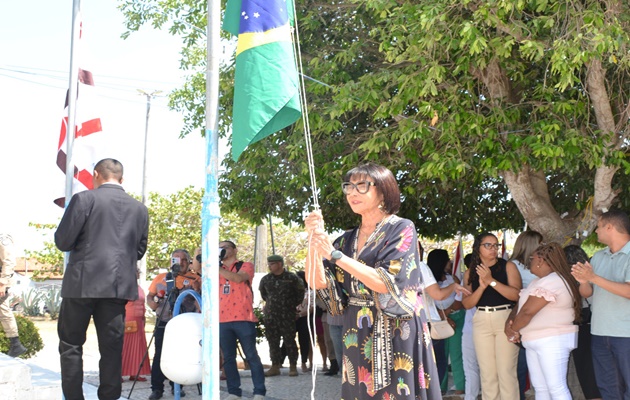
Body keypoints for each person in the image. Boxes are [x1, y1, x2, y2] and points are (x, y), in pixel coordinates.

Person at [304, 162, 445, 399]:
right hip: (356, 328)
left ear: (382, 191)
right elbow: (318, 282)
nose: (352, 193)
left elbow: (386, 282)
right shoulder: (345, 239)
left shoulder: (401, 228)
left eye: (361, 186)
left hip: (396, 327)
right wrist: (313, 241)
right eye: (348, 187)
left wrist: (334, 255)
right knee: (359, 390)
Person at [54, 158, 149, 400]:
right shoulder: (139, 209)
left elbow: (63, 241)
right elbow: (139, 250)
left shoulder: (84, 199)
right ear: (121, 179)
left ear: (96, 174)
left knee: (71, 345)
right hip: (117, 287)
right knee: (111, 349)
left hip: (81, 285)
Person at [505, 243, 581, 399]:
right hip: (537, 339)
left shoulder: (553, 280)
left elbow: (527, 312)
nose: (529, 262)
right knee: (541, 388)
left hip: (552, 339)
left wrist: (514, 329)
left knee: (556, 387)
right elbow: (520, 306)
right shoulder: (538, 282)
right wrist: (510, 323)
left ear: (540, 260)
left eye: (531, 258)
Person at [571, 209, 630, 400]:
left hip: (625, 334)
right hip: (599, 332)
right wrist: (584, 281)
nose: (596, 231)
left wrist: (594, 277)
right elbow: (588, 294)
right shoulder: (598, 257)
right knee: (607, 387)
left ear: (610, 227)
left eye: (598, 226)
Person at [461, 231, 522, 400]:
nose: (493, 249)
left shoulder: (507, 266)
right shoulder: (470, 273)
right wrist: (481, 286)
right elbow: (466, 304)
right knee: (487, 373)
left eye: (496, 245)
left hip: (505, 317)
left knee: (506, 371)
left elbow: (516, 295)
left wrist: (491, 281)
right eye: (488, 245)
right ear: (478, 248)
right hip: (481, 319)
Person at [146, 249, 201, 399]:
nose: (180, 263)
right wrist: (153, 304)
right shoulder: (161, 278)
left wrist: (198, 289)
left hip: (185, 324)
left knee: (181, 354)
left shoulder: (195, 278)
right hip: (163, 322)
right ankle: (157, 389)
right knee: (159, 355)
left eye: (184, 260)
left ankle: (177, 385)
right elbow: (149, 296)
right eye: (176, 260)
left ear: (189, 262)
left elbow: (202, 301)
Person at [218, 240, 266, 400]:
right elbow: (197, 269)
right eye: (219, 247)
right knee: (228, 358)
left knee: (251, 356)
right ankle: (234, 392)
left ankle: (259, 391)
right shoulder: (216, 268)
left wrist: (215, 267)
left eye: (225, 247)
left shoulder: (245, 265)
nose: (222, 250)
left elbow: (238, 279)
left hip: (244, 318)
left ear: (234, 250)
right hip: (222, 320)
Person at [563, 244, 602, 400]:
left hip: (580, 327)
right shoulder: (593, 272)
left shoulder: (567, 279)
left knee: (586, 372)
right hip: (595, 325)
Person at [509, 230, 543, 399]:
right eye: (540, 243)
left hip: (542, 319)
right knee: (520, 366)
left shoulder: (542, 265)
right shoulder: (514, 265)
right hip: (523, 318)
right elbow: (517, 295)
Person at [259, 254, 305, 377]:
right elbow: (264, 295)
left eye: (272, 264)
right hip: (271, 316)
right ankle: (275, 366)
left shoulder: (292, 278)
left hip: (287, 315)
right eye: (269, 264)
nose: (270, 266)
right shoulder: (266, 279)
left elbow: (300, 293)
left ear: (279, 264)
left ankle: (293, 366)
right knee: (272, 342)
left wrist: (290, 305)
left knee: (289, 341)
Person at [427, 249, 465, 395]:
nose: (450, 262)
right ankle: (440, 388)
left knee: (456, 353)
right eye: (447, 259)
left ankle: (460, 387)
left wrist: (448, 313)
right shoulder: (429, 281)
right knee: (439, 355)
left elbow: (460, 298)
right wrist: (444, 317)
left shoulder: (452, 278)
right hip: (437, 320)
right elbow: (428, 303)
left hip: (456, 317)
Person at [0, 233, 27, 358]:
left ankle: (15, 344)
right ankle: (15, 344)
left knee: (4, 311)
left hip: (1, 282)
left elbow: (9, 262)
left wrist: (3, 282)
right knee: (3, 311)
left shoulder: (3, 239)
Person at [122, 268, 150, 381]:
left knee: (138, 347)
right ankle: (118, 373)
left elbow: (142, 304)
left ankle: (135, 372)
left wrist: (144, 318)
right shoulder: (124, 287)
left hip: (139, 320)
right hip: (128, 319)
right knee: (125, 347)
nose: (138, 273)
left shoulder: (139, 289)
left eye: (138, 271)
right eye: (136, 271)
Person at [295, 270, 314, 372]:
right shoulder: (292, 292)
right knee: (288, 340)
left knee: (304, 341)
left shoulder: (310, 292)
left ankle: (303, 362)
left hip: (305, 318)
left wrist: (300, 314)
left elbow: (312, 307)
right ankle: (284, 362)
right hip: (293, 318)